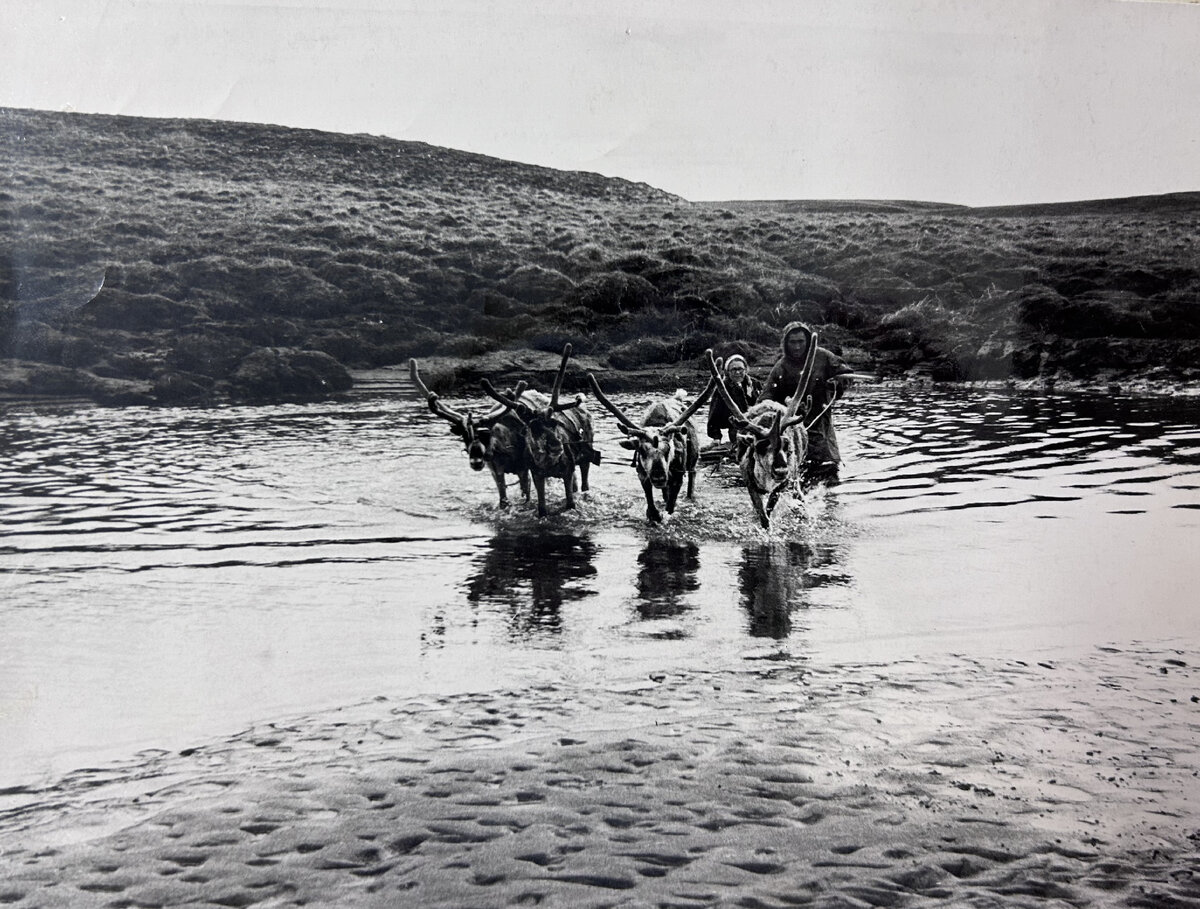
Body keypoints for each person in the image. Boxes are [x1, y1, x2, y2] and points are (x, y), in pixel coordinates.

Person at [757, 321, 855, 480]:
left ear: (808, 341)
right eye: (792, 342)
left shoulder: (823, 356)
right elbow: (765, 398)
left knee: (828, 467)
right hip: (793, 424)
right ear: (786, 344)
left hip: (820, 420)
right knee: (796, 471)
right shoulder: (781, 367)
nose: (797, 347)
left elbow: (846, 374)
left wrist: (836, 383)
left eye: (801, 342)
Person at [706, 354, 761, 445]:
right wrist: (716, 437)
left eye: (740, 369)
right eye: (734, 370)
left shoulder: (755, 384)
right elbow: (713, 416)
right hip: (736, 430)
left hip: (757, 427)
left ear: (746, 370)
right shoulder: (722, 388)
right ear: (728, 372)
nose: (737, 372)